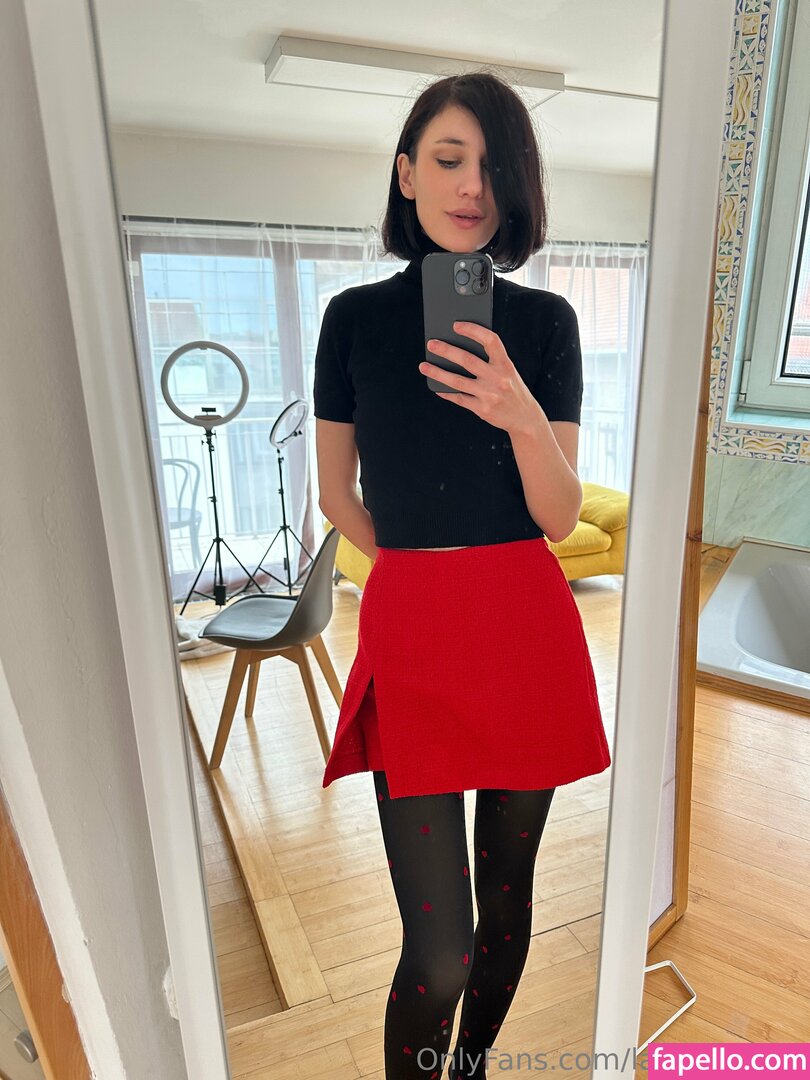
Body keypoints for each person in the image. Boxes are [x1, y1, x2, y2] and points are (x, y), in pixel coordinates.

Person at [313, 71, 611, 1080]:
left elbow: (559, 515)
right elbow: (336, 495)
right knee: (440, 950)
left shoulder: (548, 323)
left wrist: (520, 411)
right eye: (448, 159)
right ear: (406, 174)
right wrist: (414, 573)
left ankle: (474, 1065)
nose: (471, 185)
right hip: (416, 633)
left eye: (493, 165)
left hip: (527, 630)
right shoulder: (353, 319)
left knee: (505, 914)